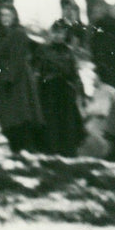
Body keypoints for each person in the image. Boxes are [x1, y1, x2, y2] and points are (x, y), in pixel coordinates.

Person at [0, 4, 43, 154]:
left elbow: (17, 58)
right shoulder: (4, 33)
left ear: (14, 16)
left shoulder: (18, 33)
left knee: (21, 115)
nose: (5, 19)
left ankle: (26, 149)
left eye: (8, 15)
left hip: (18, 80)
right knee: (13, 117)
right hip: (8, 78)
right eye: (2, 15)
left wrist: (9, 78)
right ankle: (18, 149)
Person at [37, 20, 85, 157]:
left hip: (65, 92)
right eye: (56, 32)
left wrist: (80, 93)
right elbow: (38, 72)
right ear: (51, 33)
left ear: (65, 35)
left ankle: (67, 152)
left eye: (62, 33)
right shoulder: (43, 50)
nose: (58, 36)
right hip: (49, 92)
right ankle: (51, 151)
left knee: (68, 123)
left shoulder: (68, 52)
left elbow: (75, 74)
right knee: (50, 122)